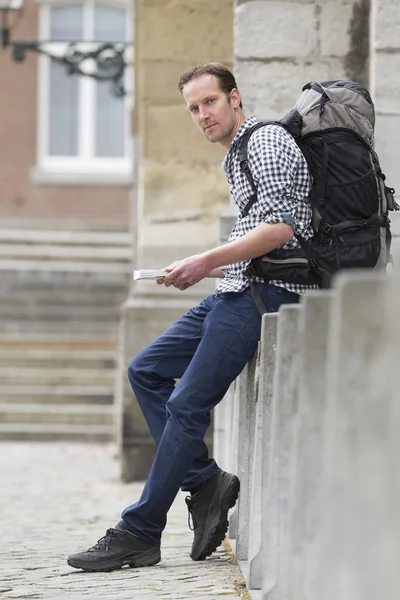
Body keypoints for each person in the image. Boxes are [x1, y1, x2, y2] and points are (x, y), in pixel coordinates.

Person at [67, 62, 314, 572]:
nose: (202, 115)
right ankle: (204, 481)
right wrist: (203, 270)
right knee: (146, 370)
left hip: (266, 292)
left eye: (210, 103)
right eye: (194, 109)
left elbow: (281, 229)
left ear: (235, 98)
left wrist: (206, 260)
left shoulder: (264, 142)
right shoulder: (236, 153)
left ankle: (140, 530)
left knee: (186, 403)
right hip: (237, 286)